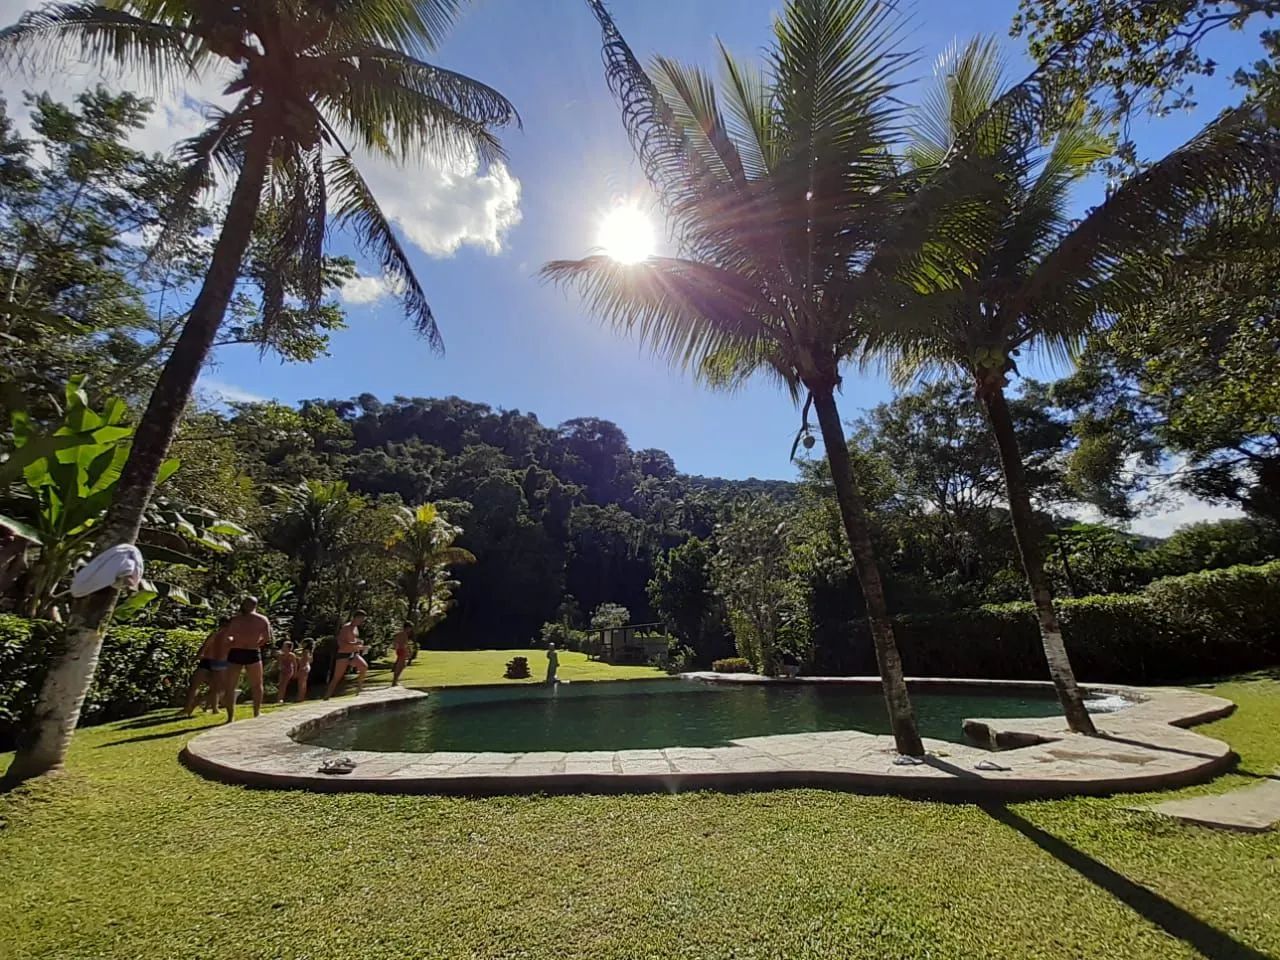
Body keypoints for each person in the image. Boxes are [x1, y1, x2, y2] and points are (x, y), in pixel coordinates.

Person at [221, 596, 273, 722]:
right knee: (233, 685)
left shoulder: (242, 619)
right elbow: (267, 638)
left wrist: (235, 642)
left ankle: (254, 712)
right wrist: (254, 643)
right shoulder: (251, 619)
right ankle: (234, 716)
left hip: (247, 651)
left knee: (254, 684)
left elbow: (267, 638)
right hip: (245, 651)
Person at [180, 618, 230, 716]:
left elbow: (204, 648)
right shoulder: (220, 635)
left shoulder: (224, 636)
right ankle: (192, 706)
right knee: (206, 686)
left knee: (212, 687)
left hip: (213, 661)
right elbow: (204, 647)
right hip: (211, 661)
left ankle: (208, 707)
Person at [325, 611, 368, 699]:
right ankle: (327, 696)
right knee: (337, 677)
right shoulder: (346, 627)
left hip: (353, 653)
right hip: (343, 654)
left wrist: (360, 644)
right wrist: (355, 644)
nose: (362, 621)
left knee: (364, 667)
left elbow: (354, 640)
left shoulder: (356, 628)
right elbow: (341, 643)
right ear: (356, 618)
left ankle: (358, 692)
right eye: (361, 619)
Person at [391, 622, 413, 686]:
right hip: (402, 650)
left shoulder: (401, 634)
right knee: (401, 666)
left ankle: (395, 680)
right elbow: (404, 644)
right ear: (407, 628)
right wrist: (408, 650)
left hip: (400, 650)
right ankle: (394, 681)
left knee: (401, 665)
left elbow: (395, 642)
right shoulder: (403, 634)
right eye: (410, 628)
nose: (410, 630)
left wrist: (396, 648)